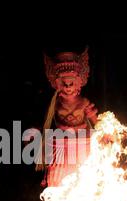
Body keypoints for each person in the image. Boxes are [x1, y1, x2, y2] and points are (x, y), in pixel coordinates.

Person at [36, 48, 98, 187]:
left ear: (77, 83)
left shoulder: (83, 102)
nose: (68, 87)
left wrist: (105, 133)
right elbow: (46, 123)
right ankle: (60, 199)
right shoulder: (55, 103)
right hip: (61, 143)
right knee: (59, 176)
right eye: (65, 84)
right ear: (58, 84)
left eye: (71, 84)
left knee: (83, 176)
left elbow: (97, 122)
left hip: (82, 142)